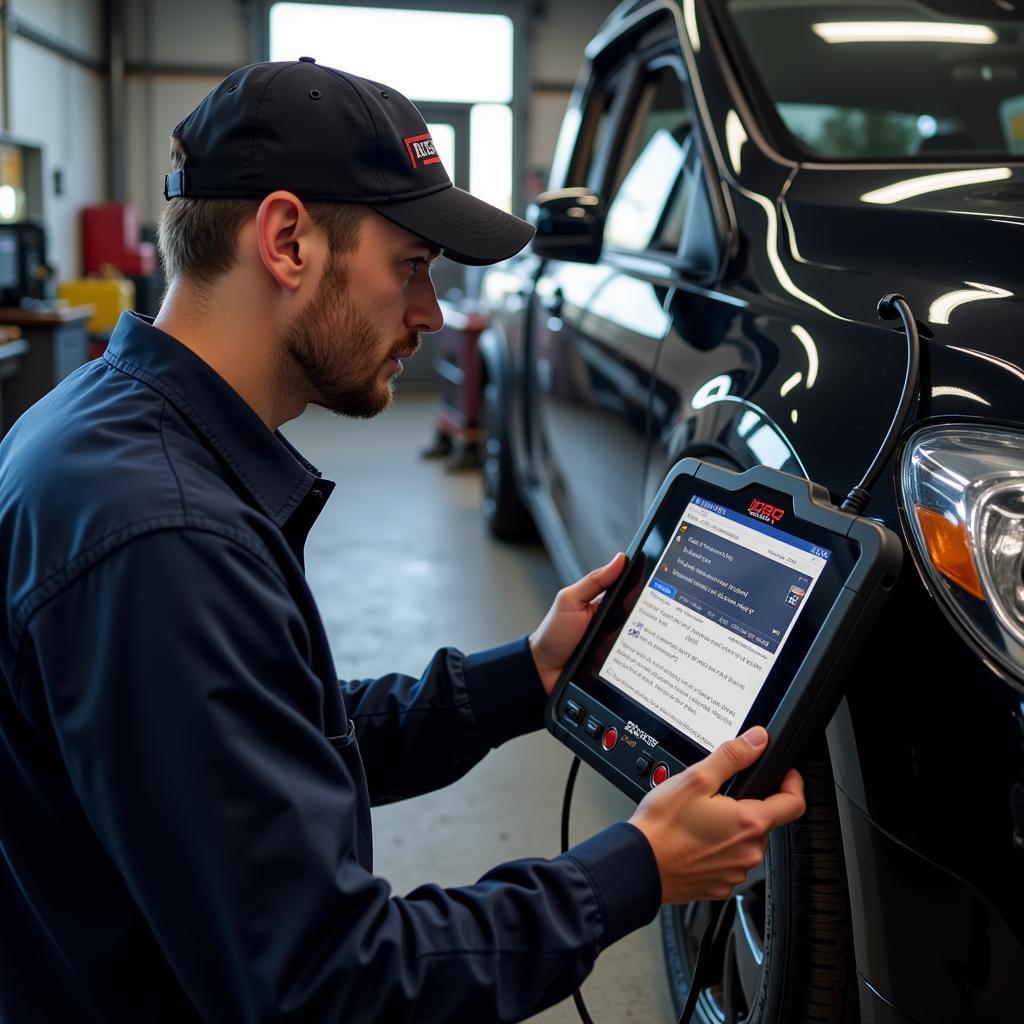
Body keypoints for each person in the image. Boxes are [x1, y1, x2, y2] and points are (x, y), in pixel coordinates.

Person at [0, 59, 804, 1022]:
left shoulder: (103, 428)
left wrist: (529, 674)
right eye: (411, 266)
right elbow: (332, 987)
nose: (430, 313)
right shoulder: (162, 536)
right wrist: (633, 869)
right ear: (288, 239)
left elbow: (261, 738)